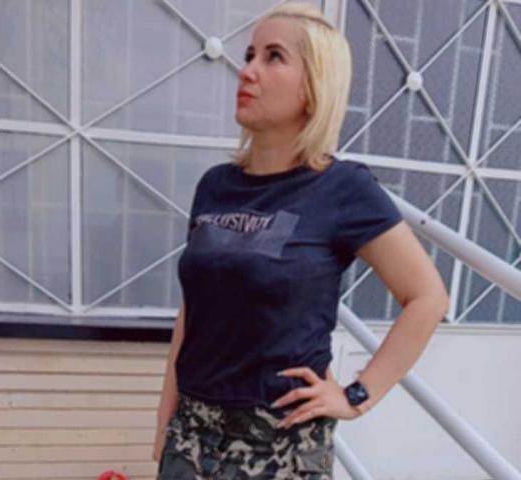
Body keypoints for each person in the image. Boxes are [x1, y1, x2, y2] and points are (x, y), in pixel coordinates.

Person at [153, 3, 450, 479]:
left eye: (273, 57)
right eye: (250, 55)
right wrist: (166, 417)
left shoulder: (343, 189)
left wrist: (355, 396)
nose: (248, 71)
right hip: (192, 436)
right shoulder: (214, 185)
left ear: (315, 86)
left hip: (280, 447)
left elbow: (427, 297)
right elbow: (194, 309)